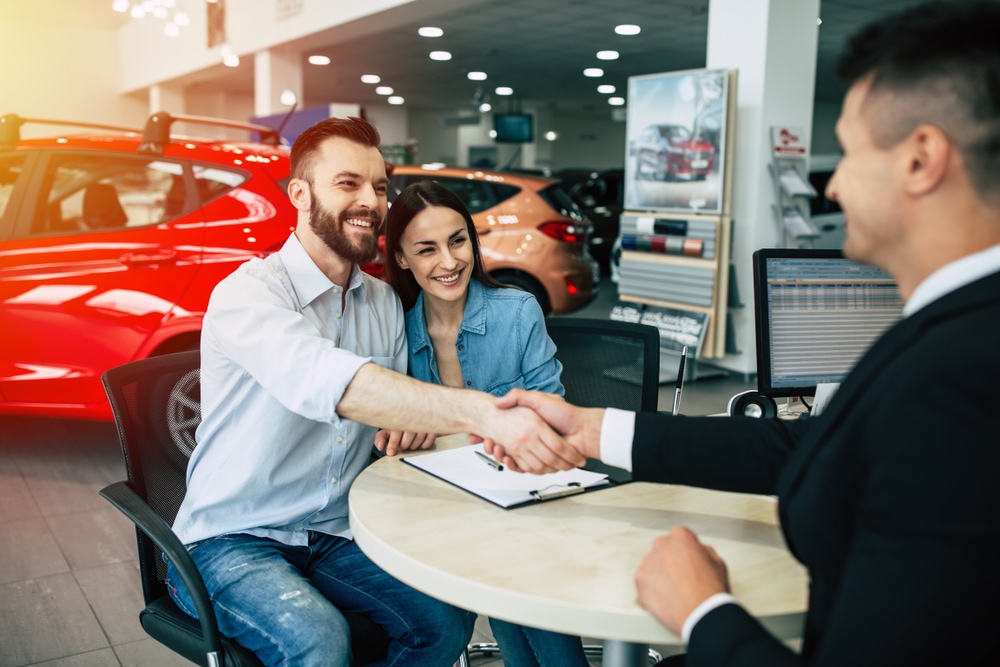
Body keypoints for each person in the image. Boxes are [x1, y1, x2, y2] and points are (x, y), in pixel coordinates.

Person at [486, 2, 1000, 665]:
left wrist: (703, 610)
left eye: (847, 152)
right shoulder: (957, 337)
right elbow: (805, 443)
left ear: (922, 158)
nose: (833, 185)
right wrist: (591, 429)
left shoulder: (957, 380)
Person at [167, 116, 584, 667]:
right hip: (233, 537)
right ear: (299, 192)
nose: (371, 200)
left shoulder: (383, 303)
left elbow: (392, 415)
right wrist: (488, 414)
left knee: (444, 620)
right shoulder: (248, 294)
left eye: (380, 186)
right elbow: (334, 382)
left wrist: (403, 419)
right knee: (318, 639)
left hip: (334, 531)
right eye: (348, 184)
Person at [378, 179, 590, 667]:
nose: (449, 262)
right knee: (514, 573)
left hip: (523, 496)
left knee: (515, 565)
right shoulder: (393, 336)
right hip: (438, 509)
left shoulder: (517, 312)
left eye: (457, 241)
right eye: (426, 249)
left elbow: (551, 416)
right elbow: (384, 440)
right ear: (404, 259)